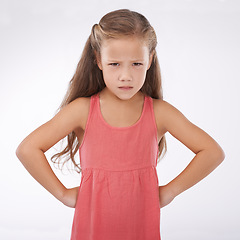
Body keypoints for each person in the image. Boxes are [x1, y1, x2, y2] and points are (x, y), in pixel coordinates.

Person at [15, 8, 225, 240]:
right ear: (99, 60)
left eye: (136, 63)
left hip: (141, 228)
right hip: (91, 230)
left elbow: (212, 152)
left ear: (150, 60)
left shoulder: (160, 113)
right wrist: (63, 194)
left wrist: (170, 191)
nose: (126, 75)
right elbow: (28, 149)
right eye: (115, 64)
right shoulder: (83, 110)